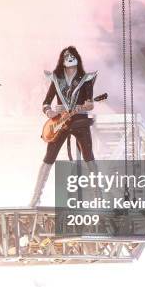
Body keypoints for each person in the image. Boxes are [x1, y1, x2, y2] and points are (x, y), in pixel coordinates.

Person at [30, 46, 98, 207]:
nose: (69, 58)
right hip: (60, 123)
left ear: (77, 59)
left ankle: (98, 196)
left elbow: (90, 104)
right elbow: (46, 102)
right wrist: (51, 112)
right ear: (62, 59)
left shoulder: (85, 79)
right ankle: (35, 197)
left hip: (80, 121)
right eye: (66, 56)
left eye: (72, 56)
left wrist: (84, 106)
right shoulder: (56, 79)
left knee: (89, 157)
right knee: (48, 158)